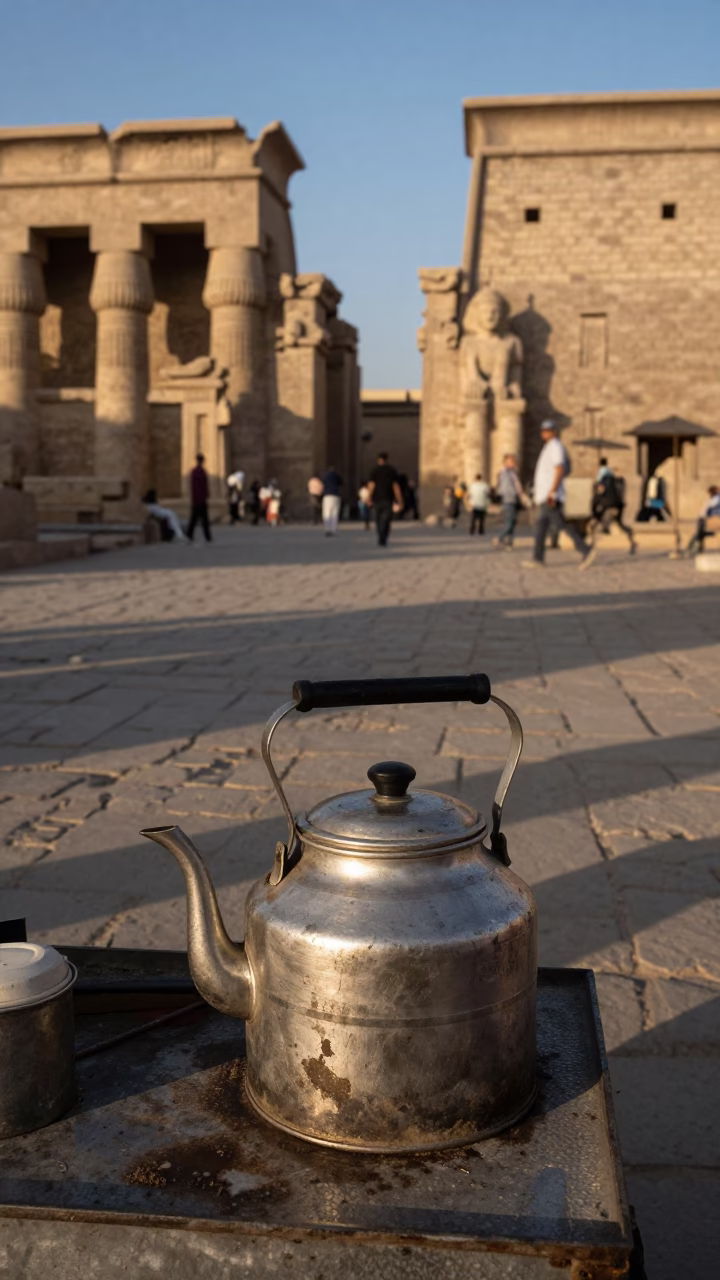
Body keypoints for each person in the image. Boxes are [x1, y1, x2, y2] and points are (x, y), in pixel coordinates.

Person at [522, 420, 595, 569]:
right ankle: (537, 558)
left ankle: (585, 549)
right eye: (543, 430)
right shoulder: (548, 447)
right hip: (544, 495)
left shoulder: (556, 446)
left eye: (548, 430)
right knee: (541, 526)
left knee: (560, 523)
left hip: (551, 495)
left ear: (554, 431)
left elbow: (559, 469)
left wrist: (553, 492)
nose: (544, 433)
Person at [590, 459, 636, 554]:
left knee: (598, 526)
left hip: (610, 507)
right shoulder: (613, 479)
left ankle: (589, 549)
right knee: (620, 525)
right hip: (617, 505)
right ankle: (632, 540)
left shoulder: (603, 479)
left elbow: (598, 495)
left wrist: (594, 510)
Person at [368, 451, 403, 547]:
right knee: (386, 520)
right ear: (387, 459)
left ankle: (381, 536)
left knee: (378, 520)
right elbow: (395, 486)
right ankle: (383, 536)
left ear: (378, 460)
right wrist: (399, 499)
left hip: (377, 499)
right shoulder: (391, 471)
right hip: (388, 498)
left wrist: (368, 497)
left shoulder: (374, 470)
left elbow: (371, 486)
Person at [492, 454, 526, 548]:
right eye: (511, 461)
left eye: (514, 461)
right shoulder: (505, 473)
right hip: (509, 500)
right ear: (505, 462)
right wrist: (516, 494)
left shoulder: (512, 473)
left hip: (513, 500)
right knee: (509, 523)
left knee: (512, 521)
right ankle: (499, 538)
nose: (513, 463)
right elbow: (506, 488)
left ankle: (509, 542)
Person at [685, 485, 720, 555]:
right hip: (707, 518)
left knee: (700, 533)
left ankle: (692, 548)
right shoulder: (714, 499)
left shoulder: (715, 499)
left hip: (708, 519)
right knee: (700, 533)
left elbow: (707, 509)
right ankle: (696, 548)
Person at [188, 453, 212, 543]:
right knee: (201, 519)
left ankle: (191, 535)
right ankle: (207, 537)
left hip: (198, 499)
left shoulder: (197, 471)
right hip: (200, 499)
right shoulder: (200, 472)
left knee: (197, 519)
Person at [321, 465, 343, 535]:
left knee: (327, 513)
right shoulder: (337, 476)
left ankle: (327, 529)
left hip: (327, 495)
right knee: (334, 513)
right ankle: (333, 529)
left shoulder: (326, 476)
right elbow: (341, 484)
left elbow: (323, 484)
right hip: (335, 495)